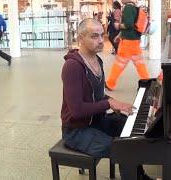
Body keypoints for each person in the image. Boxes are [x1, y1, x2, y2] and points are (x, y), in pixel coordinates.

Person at [61, 18, 153, 180]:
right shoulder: (72, 67)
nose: (100, 40)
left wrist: (113, 102)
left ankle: (139, 176)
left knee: (128, 130)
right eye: (94, 36)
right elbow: (77, 111)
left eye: (101, 35)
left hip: (96, 121)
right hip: (77, 131)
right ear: (80, 38)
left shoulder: (97, 60)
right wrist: (108, 103)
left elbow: (97, 96)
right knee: (124, 149)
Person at [105, 0, 150, 91]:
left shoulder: (128, 8)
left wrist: (118, 26)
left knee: (119, 64)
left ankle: (110, 84)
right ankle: (147, 83)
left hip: (127, 43)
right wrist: (119, 36)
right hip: (134, 41)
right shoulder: (135, 8)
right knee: (140, 64)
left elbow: (128, 25)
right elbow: (132, 26)